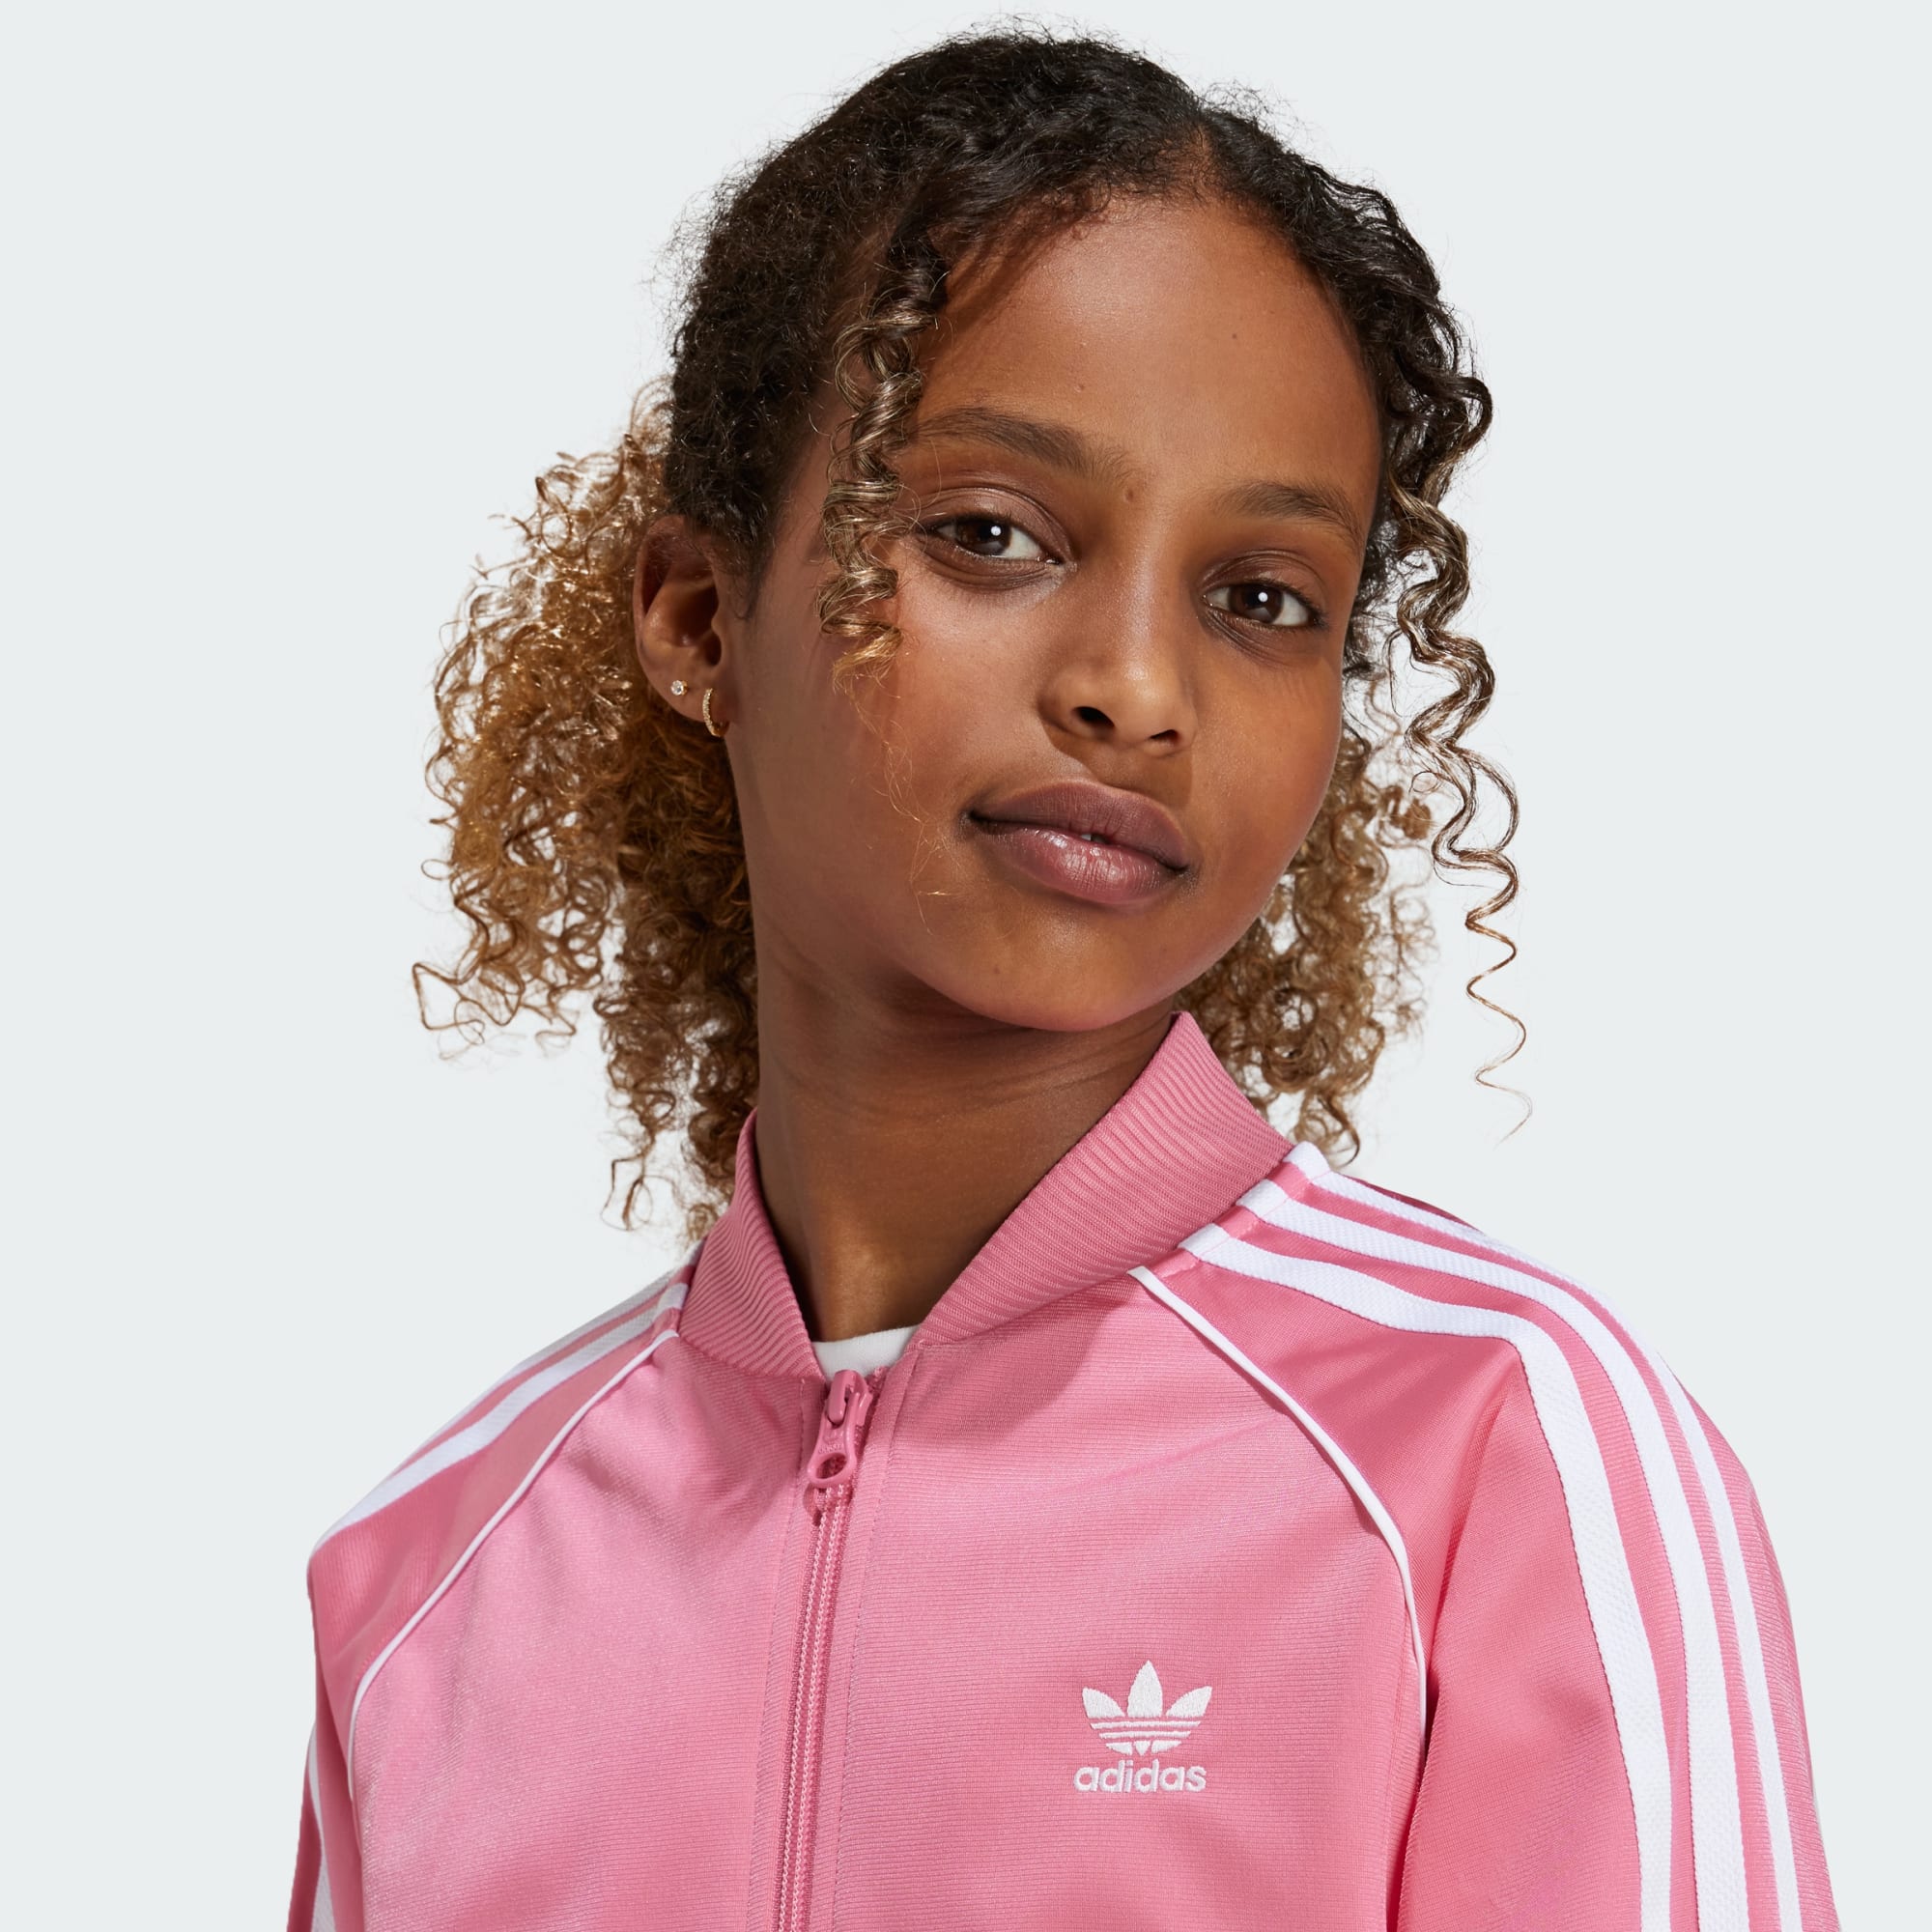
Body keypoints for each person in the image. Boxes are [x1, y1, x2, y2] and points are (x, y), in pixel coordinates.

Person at [288, 28, 1837, 1931]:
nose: (1135, 686)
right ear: (700, 618)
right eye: (991, 536)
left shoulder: (1491, 1444)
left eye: (1262, 598)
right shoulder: (425, 1582)